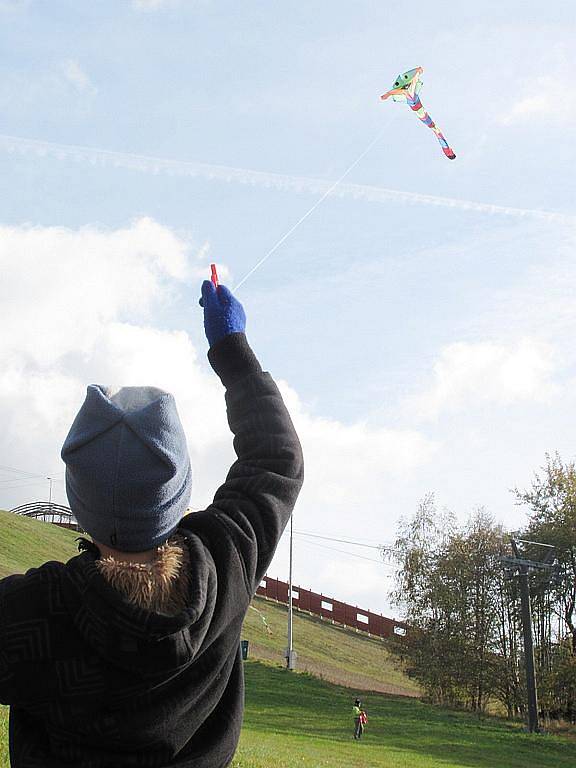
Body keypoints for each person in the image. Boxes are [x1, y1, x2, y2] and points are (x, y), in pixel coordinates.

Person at [0, 279, 304, 767]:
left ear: (78, 505)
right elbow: (277, 458)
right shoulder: (226, 563)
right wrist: (232, 351)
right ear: (179, 491)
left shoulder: (33, 614)